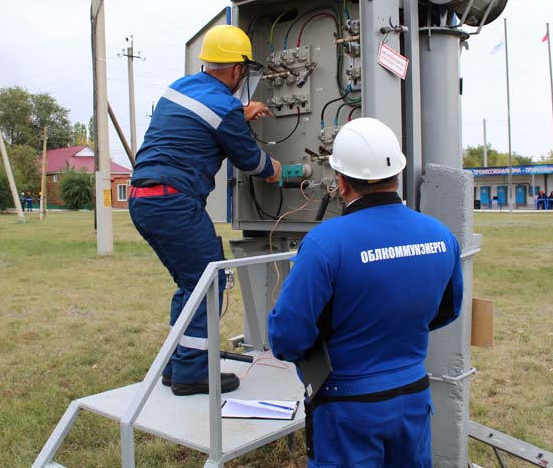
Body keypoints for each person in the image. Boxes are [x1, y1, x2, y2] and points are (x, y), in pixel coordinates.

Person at [268, 117, 464, 467]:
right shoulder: (440, 235)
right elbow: (447, 310)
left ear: (341, 183)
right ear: (397, 174)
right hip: (412, 398)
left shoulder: (325, 244)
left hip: (347, 409)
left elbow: (286, 337)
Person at [129, 25, 282, 396]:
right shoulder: (226, 108)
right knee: (208, 281)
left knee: (191, 283)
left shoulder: (179, 88)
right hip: (174, 202)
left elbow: (203, 118)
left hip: (143, 199)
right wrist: (276, 170)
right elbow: (250, 161)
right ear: (236, 70)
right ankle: (192, 375)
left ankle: (177, 365)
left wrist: (242, 111)